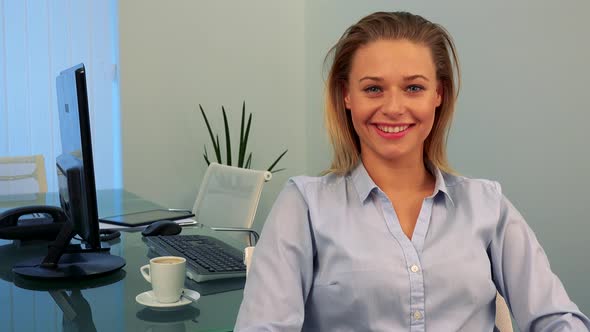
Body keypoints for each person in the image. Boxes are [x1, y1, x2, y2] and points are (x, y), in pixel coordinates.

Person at [234, 11, 590, 331]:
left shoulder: (487, 205)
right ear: (347, 97)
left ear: (439, 94)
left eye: (414, 88)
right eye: (373, 88)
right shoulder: (305, 206)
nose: (393, 107)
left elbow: (556, 318)